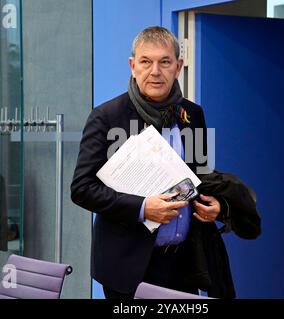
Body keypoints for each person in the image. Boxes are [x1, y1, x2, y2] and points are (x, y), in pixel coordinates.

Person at [71, 26, 227, 299]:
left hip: (184, 264)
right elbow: (82, 188)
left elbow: (203, 177)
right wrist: (143, 208)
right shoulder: (107, 117)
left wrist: (217, 206)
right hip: (129, 267)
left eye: (164, 62)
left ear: (178, 67)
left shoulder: (192, 114)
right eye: (146, 62)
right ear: (133, 66)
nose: (155, 71)